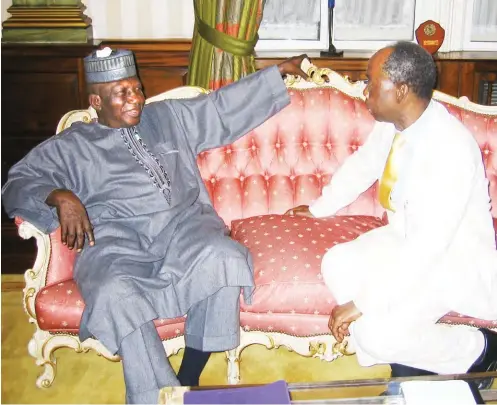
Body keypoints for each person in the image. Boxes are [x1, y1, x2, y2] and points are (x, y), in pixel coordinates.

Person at [2, 47, 309, 404]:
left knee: (224, 256)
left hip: (185, 228)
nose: (137, 99)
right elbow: (16, 184)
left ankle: (187, 377)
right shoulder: (71, 146)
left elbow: (221, 108)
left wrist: (277, 73)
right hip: (115, 243)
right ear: (96, 101)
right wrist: (57, 195)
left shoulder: (167, 117)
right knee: (114, 294)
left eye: (137, 89)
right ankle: (158, 396)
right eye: (123, 93)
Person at [286, 42, 497, 383]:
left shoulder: (448, 150)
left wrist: (364, 303)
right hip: (405, 239)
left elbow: (426, 251)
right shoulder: (398, 123)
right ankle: (412, 359)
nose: (364, 89)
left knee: (375, 334)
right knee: (336, 262)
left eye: (371, 81)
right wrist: (317, 209)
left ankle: (481, 349)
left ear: (400, 90)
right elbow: (364, 166)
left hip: (453, 261)